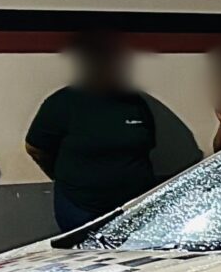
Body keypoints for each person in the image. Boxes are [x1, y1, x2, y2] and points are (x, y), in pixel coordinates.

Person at [25, 31, 159, 232]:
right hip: (80, 208)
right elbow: (35, 148)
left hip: (134, 208)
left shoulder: (135, 103)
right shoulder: (63, 103)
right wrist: (65, 176)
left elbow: (146, 146)